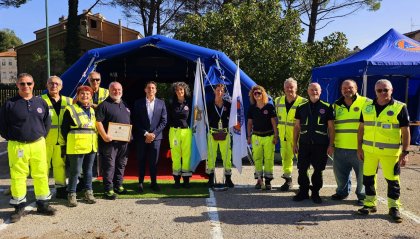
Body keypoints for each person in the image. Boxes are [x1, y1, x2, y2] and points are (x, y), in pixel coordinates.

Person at [0, 73, 56, 223]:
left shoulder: (41, 102)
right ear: (17, 85)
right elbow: (2, 126)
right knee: (18, 176)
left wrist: (41, 135)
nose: (26, 86)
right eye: (22, 83)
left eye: (29, 83)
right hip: (17, 145)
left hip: (38, 144)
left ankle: (43, 203)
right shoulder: (9, 104)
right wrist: (14, 137)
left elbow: (47, 122)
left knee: (41, 173)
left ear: (33, 85)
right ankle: (19, 207)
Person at [357, 79, 410, 223]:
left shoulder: (400, 107)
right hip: (369, 151)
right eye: (379, 90)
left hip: (390, 153)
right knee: (368, 178)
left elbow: (405, 132)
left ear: (391, 90)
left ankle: (394, 207)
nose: (382, 93)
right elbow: (361, 129)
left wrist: (405, 152)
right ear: (375, 91)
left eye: (385, 90)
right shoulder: (367, 107)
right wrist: (359, 148)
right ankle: (369, 204)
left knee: (392, 180)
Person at [293, 83, 334, 203]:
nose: (314, 92)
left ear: (320, 91)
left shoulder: (327, 107)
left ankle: (315, 192)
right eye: (311, 90)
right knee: (302, 169)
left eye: (316, 90)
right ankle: (303, 192)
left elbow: (331, 127)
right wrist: (294, 143)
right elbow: (296, 127)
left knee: (318, 170)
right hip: (304, 144)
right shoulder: (301, 106)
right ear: (308, 91)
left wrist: (331, 145)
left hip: (320, 145)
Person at [331, 79, 370, 205]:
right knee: (340, 173)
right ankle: (342, 192)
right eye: (344, 88)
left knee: (362, 175)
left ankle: (362, 196)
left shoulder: (366, 103)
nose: (347, 90)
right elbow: (331, 126)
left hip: (360, 148)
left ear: (356, 88)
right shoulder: (336, 105)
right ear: (341, 90)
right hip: (340, 146)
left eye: (350, 87)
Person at [62, 86, 97, 207]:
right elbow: (64, 129)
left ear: (91, 96)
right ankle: (71, 194)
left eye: (88, 94)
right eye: (82, 93)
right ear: (78, 95)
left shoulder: (92, 110)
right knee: (75, 171)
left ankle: (88, 192)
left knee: (88, 171)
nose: (85, 96)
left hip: (91, 145)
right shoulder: (70, 109)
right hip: (76, 145)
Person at [95, 82, 131, 200]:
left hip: (123, 142)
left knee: (121, 164)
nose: (117, 92)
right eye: (114, 90)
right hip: (109, 142)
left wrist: (129, 135)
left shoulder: (124, 104)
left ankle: (118, 186)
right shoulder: (103, 105)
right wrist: (104, 135)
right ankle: (108, 189)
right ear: (109, 91)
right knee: (109, 165)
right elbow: (98, 122)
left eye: (119, 89)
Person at [41, 76, 73, 199]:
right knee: (43, 166)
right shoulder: (40, 100)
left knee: (60, 166)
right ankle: (43, 189)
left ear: (61, 86)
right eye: (51, 83)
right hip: (45, 140)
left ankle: (60, 189)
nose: (54, 86)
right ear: (46, 85)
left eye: (56, 84)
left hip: (62, 140)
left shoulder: (69, 101)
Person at [133, 81, 167, 192]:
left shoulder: (161, 103)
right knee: (141, 160)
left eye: (153, 88)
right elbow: (135, 120)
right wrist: (146, 133)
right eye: (149, 88)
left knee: (154, 161)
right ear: (145, 90)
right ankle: (140, 183)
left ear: (156, 90)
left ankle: (154, 182)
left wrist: (154, 134)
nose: (151, 90)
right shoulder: (138, 103)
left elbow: (164, 121)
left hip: (156, 138)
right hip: (141, 137)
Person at [274, 77, 307, 191]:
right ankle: (288, 180)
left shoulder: (303, 102)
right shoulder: (278, 101)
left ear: (296, 88)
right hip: (284, 136)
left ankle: (304, 183)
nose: (289, 89)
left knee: (302, 159)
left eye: (291, 87)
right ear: (284, 88)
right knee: (286, 159)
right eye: (287, 87)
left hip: (299, 137)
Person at [247, 85, 278, 190]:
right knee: (257, 159)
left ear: (263, 94)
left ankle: (268, 181)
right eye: (254, 93)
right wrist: (248, 136)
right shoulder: (252, 107)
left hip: (269, 136)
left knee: (269, 159)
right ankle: (259, 180)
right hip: (256, 136)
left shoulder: (269, 106)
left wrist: (276, 135)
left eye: (259, 93)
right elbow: (249, 123)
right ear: (253, 95)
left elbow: (274, 122)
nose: (257, 95)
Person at [206, 84, 234, 188]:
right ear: (214, 91)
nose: (220, 93)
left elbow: (233, 118)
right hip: (213, 132)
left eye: (222, 91)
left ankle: (228, 179)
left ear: (224, 92)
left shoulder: (228, 105)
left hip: (225, 132)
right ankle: (210, 179)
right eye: (218, 90)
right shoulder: (209, 104)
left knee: (227, 157)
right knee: (211, 156)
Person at [167, 82, 193, 188]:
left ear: (185, 91)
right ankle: (177, 180)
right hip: (174, 132)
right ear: (175, 92)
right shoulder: (171, 103)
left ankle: (186, 181)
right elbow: (167, 118)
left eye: (181, 90)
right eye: (177, 90)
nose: (179, 92)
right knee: (176, 156)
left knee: (186, 156)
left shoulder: (190, 103)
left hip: (186, 131)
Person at [88, 71, 109, 178]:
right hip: (89, 128)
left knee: (106, 153)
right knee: (90, 154)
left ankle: (106, 176)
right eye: (92, 80)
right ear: (88, 80)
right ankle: (92, 177)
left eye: (97, 79)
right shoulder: (84, 91)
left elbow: (109, 108)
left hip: (104, 127)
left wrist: (93, 105)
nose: (95, 82)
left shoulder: (107, 92)